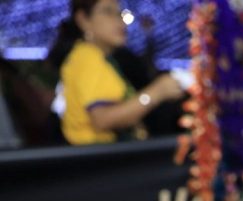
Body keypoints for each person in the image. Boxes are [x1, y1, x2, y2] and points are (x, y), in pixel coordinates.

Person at [47, 0, 184, 145]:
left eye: (119, 13)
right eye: (107, 12)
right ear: (83, 19)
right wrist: (157, 92)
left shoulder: (99, 58)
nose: (119, 21)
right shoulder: (86, 57)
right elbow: (102, 119)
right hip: (97, 160)